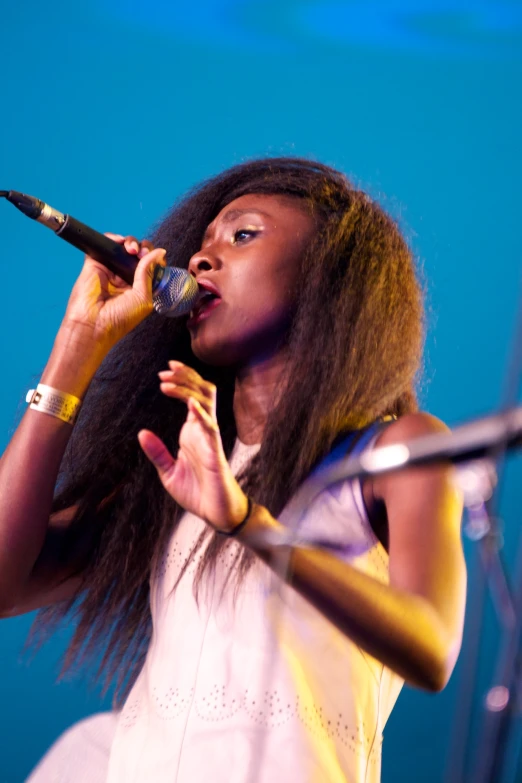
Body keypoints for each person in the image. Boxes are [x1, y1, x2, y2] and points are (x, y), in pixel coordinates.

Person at [0, 158, 466, 783]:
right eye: (200, 246)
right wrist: (78, 342)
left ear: (330, 274)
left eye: (242, 235)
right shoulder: (177, 466)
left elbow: (432, 650)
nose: (198, 260)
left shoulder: (393, 452)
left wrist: (247, 522)